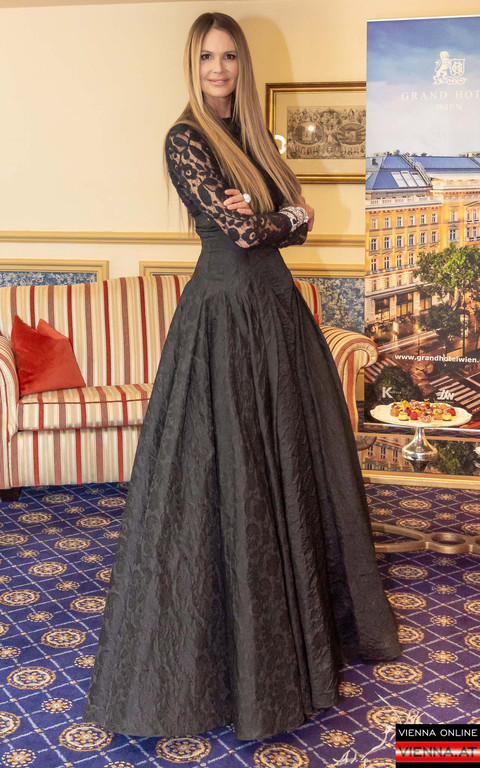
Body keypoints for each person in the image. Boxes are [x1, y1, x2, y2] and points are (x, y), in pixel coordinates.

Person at [83, 11, 400, 742]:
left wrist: (276, 214)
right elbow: (251, 231)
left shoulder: (256, 137)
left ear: (241, 64)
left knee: (291, 464)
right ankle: (233, 656)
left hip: (278, 314)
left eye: (228, 56)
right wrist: (276, 213)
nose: (218, 69)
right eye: (206, 57)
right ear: (192, 65)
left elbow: (296, 223)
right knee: (229, 478)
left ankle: (303, 635)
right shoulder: (185, 139)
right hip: (223, 319)